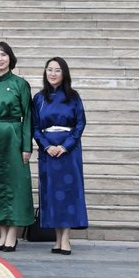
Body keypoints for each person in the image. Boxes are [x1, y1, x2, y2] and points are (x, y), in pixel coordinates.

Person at [0, 41, 34, 252]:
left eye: (3, 55)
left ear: (10, 58)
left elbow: (28, 116)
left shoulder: (21, 84)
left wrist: (26, 146)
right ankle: (2, 234)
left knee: (15, 184)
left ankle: (13, 234)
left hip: (14, 135)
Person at [33, 57, 87, 255]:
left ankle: (66, 239)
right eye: (49, 69)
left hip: (68, 151)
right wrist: (46, 146)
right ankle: (56, 238)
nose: (53, 74)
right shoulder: (39, 98)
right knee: (51, 192)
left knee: (68, 192)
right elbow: (34, 126)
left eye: (57, 70)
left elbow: (80, 123)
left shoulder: (73, 97)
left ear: (64, 73)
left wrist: (66, 146)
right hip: (48, 151)